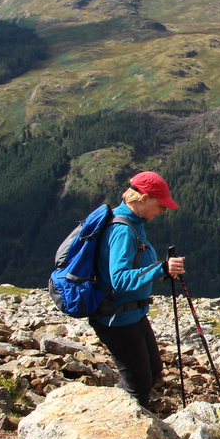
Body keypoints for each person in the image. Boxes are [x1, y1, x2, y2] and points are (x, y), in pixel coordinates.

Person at [90, 171, 186, 407]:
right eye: (160, 205)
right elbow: (120, 280)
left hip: (132, 314)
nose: (162, 211)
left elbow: (137, 266)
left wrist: (162, 271)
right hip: (117, 319)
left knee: (153, 370)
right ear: (143, 198)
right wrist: (161, 269)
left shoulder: (134, 224)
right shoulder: (123, 230)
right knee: (138, 384)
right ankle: (117, 428)